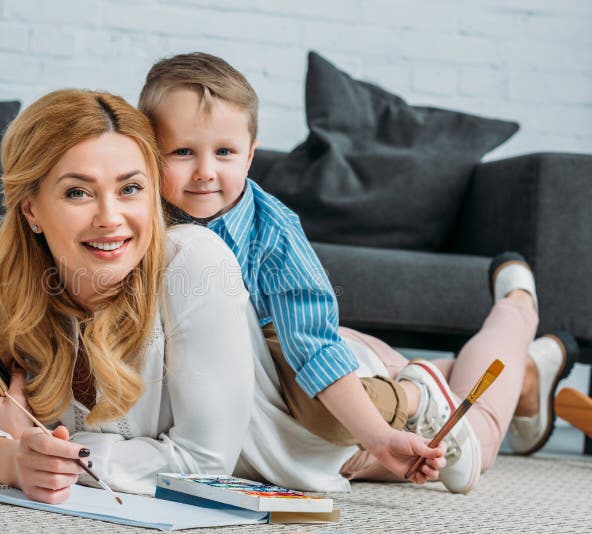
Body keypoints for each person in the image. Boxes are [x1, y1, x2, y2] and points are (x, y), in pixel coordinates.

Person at [0, 88, 445, 504]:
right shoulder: (7, 276)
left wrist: (57, 454)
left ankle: (502, 318)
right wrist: (11, 459)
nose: (110, 217)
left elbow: (203, 461)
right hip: (264, 366)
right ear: (30, 209)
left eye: (131, 188)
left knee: (482, 423)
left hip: (318, 435)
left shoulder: (196, 260)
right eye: (77, 191)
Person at [137, 52, 577, 493]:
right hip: (326, 385)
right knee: (451, 387)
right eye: (183, 152)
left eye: (224, 153)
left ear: (250, 156)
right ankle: (528, 378)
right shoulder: (138, 219)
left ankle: (509, 314)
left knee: (471, 445)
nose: (205, 172)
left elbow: (314, 349)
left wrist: (381, 435)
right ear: (151, 154)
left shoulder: (272, 233)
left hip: (334, 380)